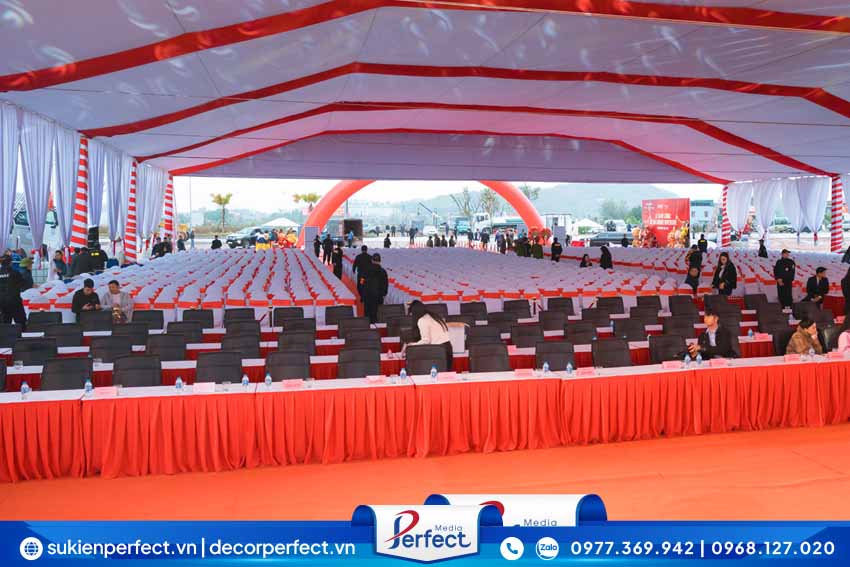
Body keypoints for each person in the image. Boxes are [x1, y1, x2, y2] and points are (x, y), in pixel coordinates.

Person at [403, 299, 453, 368]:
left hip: (438, 350)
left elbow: (426, 340)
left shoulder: (422, 320)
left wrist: (411, 345)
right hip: (447, 347)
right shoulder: (433, 316)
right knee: (446, 372)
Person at [0, 253, 26, 326]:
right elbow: (23, 284)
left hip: (2, 302)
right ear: (10, 263)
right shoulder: (15, 273)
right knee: (21, 323)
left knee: (4, 324)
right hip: (15, 301)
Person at [363, 253, 388, 324]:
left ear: (372, 260)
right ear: (380, 261)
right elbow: (385, 284)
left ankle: (368, 326)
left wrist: (363, 292)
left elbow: (361, 281)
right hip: (378, 296)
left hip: (368, 295)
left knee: (368, 313)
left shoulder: (365, 270)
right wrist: (383, 293)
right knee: (377, 314)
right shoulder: (383, 272)